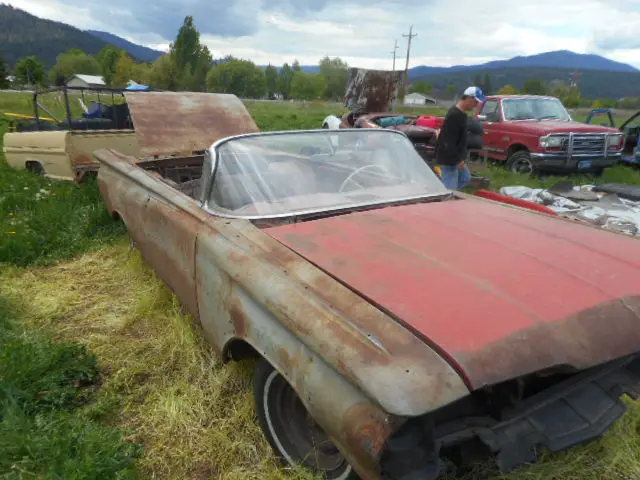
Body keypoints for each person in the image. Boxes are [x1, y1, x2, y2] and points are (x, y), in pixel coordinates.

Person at [434, 86, 485, 190]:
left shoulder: (461, 114)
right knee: (450, 189)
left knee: (465, 177)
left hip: (456, 158)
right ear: (469, 99)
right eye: (475, 102)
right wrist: (457, 160)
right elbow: (447, 141)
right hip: (449, 159)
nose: (475, 105)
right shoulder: (454, 115)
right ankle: (447, 199)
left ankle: (445, 192)